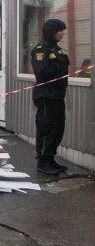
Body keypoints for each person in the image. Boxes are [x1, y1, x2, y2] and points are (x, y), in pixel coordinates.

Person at [31, 19, 69, 175]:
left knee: (58, 128)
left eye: (62, 30)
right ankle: (43, 161)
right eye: (59, 30)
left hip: (58, 95)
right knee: (47, 128)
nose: (62, 33)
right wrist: (57, 66)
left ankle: (50, 158)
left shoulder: (57, 49)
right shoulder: (41, 49)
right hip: (46, 96)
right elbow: (41, 73)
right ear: (50, 31)